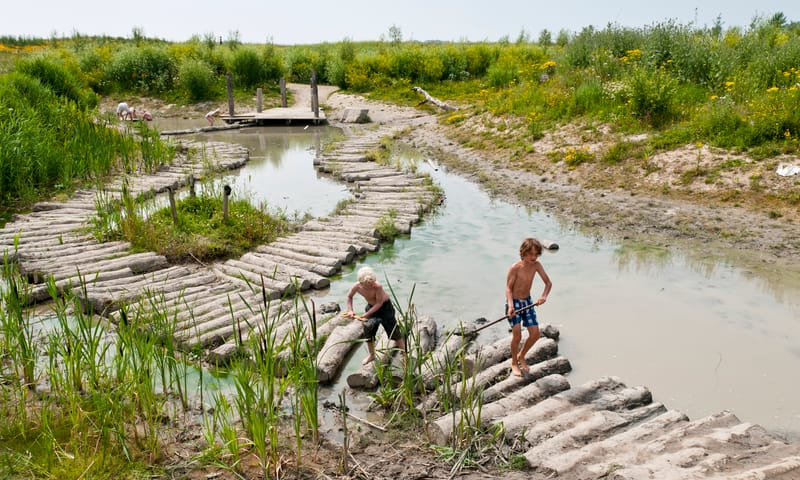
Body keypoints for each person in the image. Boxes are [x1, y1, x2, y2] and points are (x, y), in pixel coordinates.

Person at [505, 237, 552, 377]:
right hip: (514, 303)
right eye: (530, 254)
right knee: (517, 335)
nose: (533, 257)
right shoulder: (515, 267)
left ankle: (521, 355)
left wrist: (543, 296)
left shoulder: (537, 265)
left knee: (535, 334)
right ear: (523, 253)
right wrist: (511, 306)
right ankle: (514, 362)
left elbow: (548, 283)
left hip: (528, 302)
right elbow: (508, 288)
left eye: (536, 254)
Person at [345, 266, 406, 365]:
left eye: (371, 283)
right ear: (361, 283)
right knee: (368, 331)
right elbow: (349, 296)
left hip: (385, 309)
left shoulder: (377, 286)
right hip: (371, 307)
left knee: (394, 331)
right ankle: (372, 354)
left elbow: (379, 303)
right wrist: (350, 310)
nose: (370, 286)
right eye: (367, 285)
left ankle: (404, 354)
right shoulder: (357, 286)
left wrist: (366, 314)